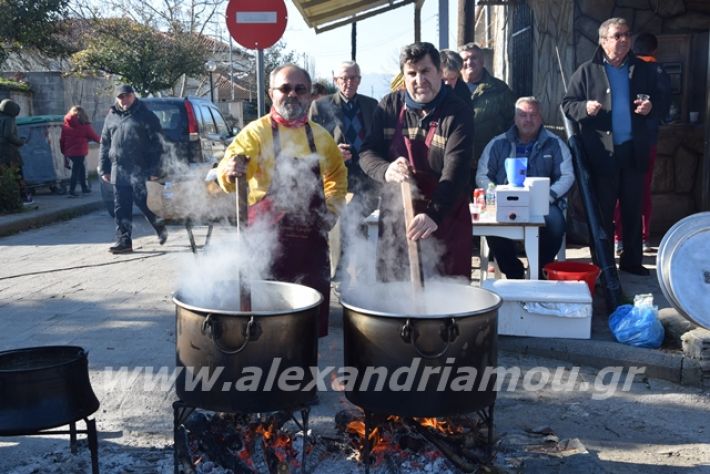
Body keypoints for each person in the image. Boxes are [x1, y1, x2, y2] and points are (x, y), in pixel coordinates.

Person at [216, 64, 347, 338]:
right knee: (265, 329)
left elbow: (337, 176)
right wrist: (229, 172)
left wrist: (333, 209)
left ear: (311, 96)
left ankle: (302, 379)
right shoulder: (254, 133)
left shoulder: (322, 138)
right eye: (285, 89)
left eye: (300, 89)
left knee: (307, 332)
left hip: (310, 251)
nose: (292, 95)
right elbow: (229, 167)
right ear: (270, 93)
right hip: (264, 247)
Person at [360, 41, 474, 281]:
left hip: (446, 213)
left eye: (425, 71)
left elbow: (457, 169)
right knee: (394, 292)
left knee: (446, 293)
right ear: (403, 76)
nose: (419, 79)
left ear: (440, 72)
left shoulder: (458, 111)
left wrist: (434, 213)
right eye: (411, 73)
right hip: (398, 215)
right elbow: (367, 153)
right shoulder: (389, 106)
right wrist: (385, 169)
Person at [561, 17, 657, 276]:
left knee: (632, 209)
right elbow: (567, 104)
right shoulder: (586, 71)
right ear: (603, 41)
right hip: (602, 153)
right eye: (617, 35)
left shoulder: (642, 69)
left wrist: (650, 108)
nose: (624, 39)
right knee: (602, 213)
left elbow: (660, 98)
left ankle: (632, 261)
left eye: (627, 34)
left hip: (633, 150)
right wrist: (585, 108)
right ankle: (602, 262)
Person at [476, 97, 575, 279]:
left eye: (533, 115)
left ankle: (538, 269)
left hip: (543, 202)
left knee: (555, 224)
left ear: (540, 118)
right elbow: (482, 175)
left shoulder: (555, 144)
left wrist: (549, 196)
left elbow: (567, 175)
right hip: (506, 202)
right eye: (523, 115)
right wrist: (495, 192)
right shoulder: (498, 143)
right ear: (515, 118)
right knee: (492, 226)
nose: (527, 120)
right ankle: (514, 272)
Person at [309, 61, 379, 278]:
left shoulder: (372, 105)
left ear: (360, 79)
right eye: (343, 78)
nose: (349, 82)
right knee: (340, 225)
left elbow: (378, 140)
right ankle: (339, 275)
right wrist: (332, 151)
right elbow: (310, 143)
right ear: (335, 80)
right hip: (335, 177)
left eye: (353, 77)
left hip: (366, 177)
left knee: (359, 224)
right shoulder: (321, 106)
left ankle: (363, 274)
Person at [613, 32, 671, 255]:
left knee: (619, 191)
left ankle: (619, 238)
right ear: (654, 50)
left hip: (623, 140)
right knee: (642, 190)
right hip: (647, 142)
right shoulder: (659, 71)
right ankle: (643, 238)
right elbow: (665, 108)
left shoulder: (624, 69)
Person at [99, 85, 167, 254]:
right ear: (117, 99)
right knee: (121, 207)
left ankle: (160, 227)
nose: (124, 100)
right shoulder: (111, 117)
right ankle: (124, 242)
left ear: (133, 96)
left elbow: (158, 145)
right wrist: (104, 168)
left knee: (143, 202)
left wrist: (155, 169)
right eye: (120, 97)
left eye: (127, 96)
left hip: (140, 168)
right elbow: (105, 143)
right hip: (118, 169)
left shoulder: (146, 116)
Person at [458, 42, 516, 175]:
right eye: (465, 59)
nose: (469, 62)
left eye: (474, 58)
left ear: (482, 61)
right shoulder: (451, 89)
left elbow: (513, 122)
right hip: (459, 162)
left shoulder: (499, 89)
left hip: (491, 162)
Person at [60, 105, 101, 197]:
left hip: (69, 151)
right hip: (79, 151)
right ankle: (72, 191)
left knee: (81, 168)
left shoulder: (65, 125)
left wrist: (64, 152)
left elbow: (62, 140)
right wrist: (104, 141)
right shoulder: (84, 125)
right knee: (76, 170)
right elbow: (94, 137)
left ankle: (84, 188)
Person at [0, 98, 29, 204]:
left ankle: (7, 199)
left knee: (3, 174)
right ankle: (24, 197)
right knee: (18, 172)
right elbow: (8, 135)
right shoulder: (9, 119)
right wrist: (20, 141)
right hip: (9, 150)